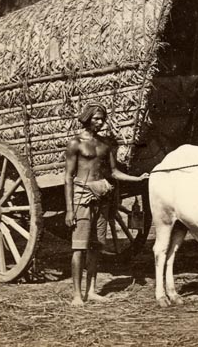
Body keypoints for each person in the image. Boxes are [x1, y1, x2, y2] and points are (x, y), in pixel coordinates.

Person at [64, 102, 149, 306]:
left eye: (102, 119)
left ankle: (91, 290)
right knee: (79, 248)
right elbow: (68, 177)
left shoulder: (105, 144)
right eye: (96, 118)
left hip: (102, 199)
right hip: (82, 198)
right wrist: (69, 210)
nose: (100, 122)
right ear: (87, 119)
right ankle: (77, 295)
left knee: (96, 247)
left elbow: (114, 172)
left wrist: (137, 179)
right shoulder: (75, 143)